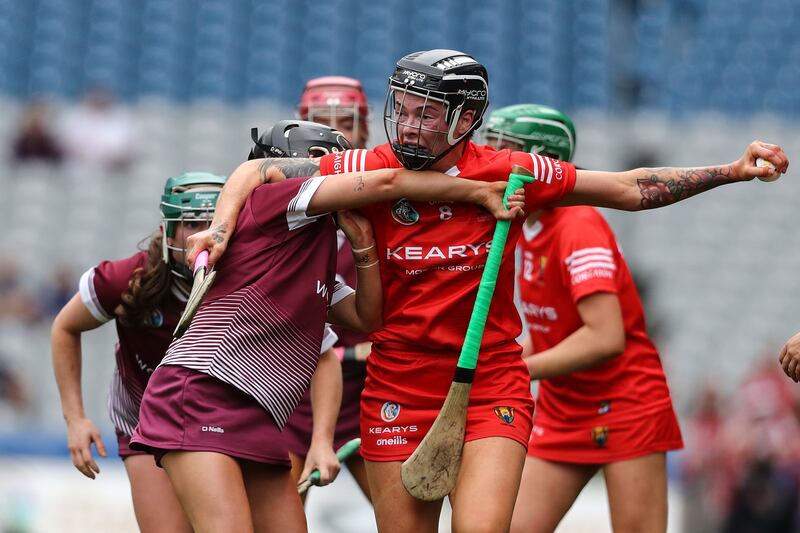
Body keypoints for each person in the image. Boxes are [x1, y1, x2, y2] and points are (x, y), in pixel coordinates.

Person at [190, 49, 789, 532]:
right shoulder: (364, 166)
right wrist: (219, 228)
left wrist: (731, 171)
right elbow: (259, 171)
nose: (410, 122)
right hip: (398, 382)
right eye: (403, 108)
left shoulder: (508, 169)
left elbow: (629, 188)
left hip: (491, 380)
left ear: (464, 119)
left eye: (427, 112)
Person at [129, 119, 524, 533]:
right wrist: (478, 190)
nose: (347, 174)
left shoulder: (307, 250)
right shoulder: (270, 204)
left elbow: (367, 318)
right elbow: (387, 182)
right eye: (337, 164)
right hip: (201, 395)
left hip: (258, 415)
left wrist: (364, 246)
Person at [483, 103, 683, 533]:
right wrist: (495, 362)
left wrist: (515, 368)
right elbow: (548, 330)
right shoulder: (524, 224)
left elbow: (604, 336)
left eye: (504, 152)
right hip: (563, 408)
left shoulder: (578, 225)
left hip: (627, 406)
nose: (489, 162)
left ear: (542, 162)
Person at [51, 171, 227, 533]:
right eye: (193, 222)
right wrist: (75, 419)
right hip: (145, 423)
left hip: (220, 420)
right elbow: (64, 327)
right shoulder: (127, 278)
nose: (205, 232)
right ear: (167, 231)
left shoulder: (250, 278)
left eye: (216, 222)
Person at [288, 76, 373, 501]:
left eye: (346, 120)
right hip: (293, 386)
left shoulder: (392, 192)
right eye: (321, 122)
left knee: (404, 521)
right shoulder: (278, 194)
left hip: (373, 387)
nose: (335, 133)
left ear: (367, 128)